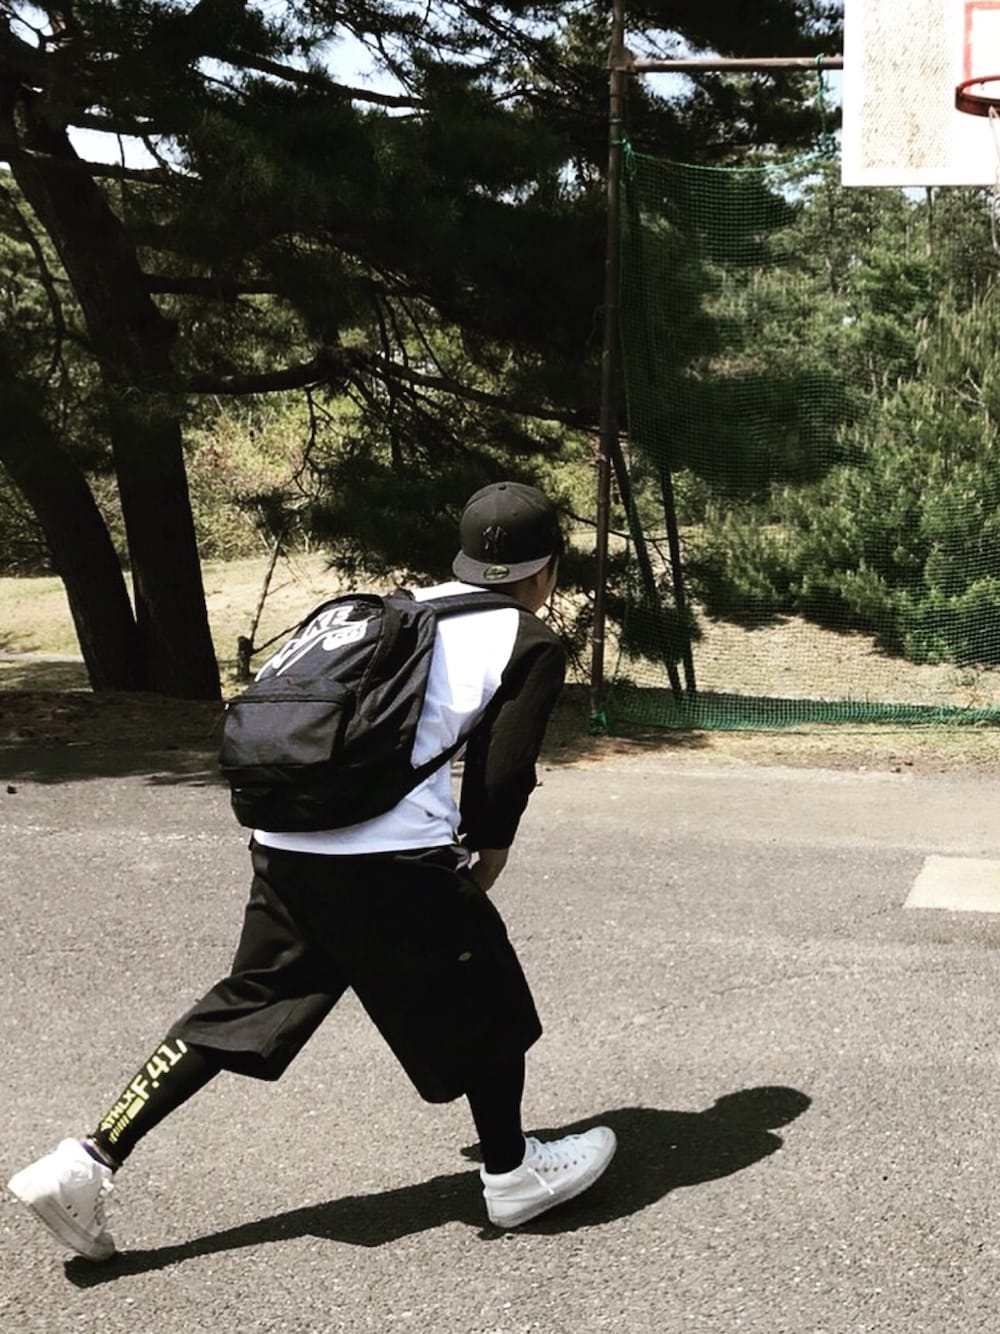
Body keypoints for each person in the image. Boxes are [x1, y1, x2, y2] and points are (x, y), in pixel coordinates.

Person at [7, 480, 616, 1263]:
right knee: (487, 997)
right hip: (391, 859)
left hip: (287, 842)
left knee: (247, 1002)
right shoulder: (526, 639)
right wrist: (485, 859)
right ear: (547, 571)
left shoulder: (398, 606)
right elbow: (500, 777)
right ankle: (512, 1174)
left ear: (463, 558)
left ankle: (87, 1161)